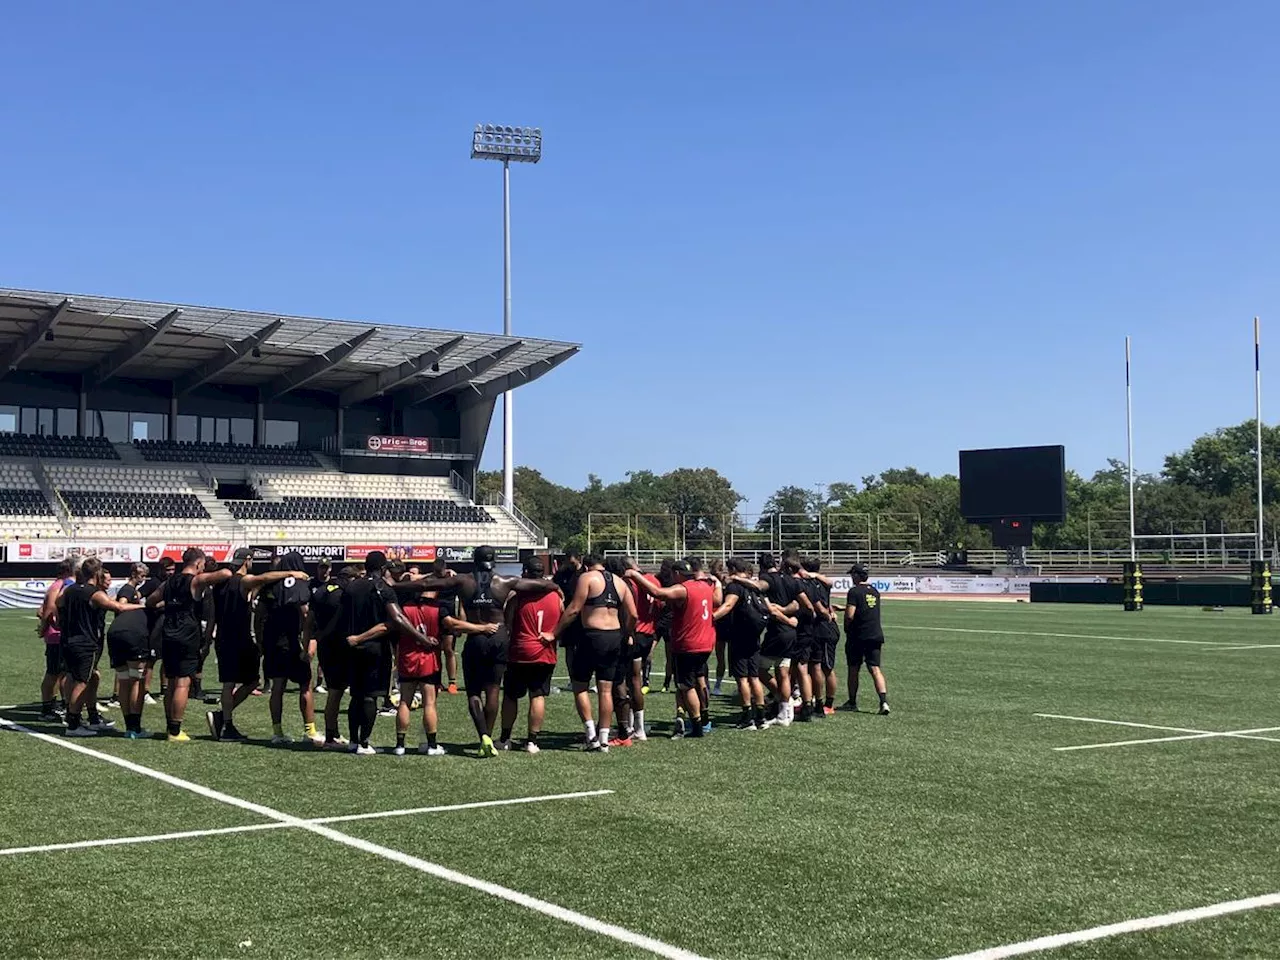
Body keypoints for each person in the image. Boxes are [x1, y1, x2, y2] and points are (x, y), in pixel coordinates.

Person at [402, 546, 560, 757]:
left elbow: (426, 583)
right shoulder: (504, 581)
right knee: (493, 690)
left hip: (475, 638)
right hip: (499, 637)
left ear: (474, 561)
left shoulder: (463, 581)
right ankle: (490, 737)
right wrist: (555, 586)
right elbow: (539, 584)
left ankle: (484, 735)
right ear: (493, 561)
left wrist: (395, 586)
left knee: (474, 693)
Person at [206, 549, 308, 743]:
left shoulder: (220, 586)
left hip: (223, 638)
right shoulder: (243, 581)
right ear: (247, 560)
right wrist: (291, 573)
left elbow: (212, 614)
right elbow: (264, 577)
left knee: (247, 681)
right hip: (239, 637)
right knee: (238, 683)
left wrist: (207, 638)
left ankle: (224, 717)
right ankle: (226, 724)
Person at [338, 551, 423, 754]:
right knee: (370, 697)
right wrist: (421, 638)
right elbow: (396, 619)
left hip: (351, 647)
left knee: (356, 696)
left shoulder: (351, 586)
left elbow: (341, 617)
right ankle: (365, 743)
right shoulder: (383, 588)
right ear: (383, 568)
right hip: (375, 648)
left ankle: (352, 740)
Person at [552, 554, 637, 752]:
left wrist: (554, 633)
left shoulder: (587, 578)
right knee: (606, 690)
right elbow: (633, 614)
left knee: (580, 686)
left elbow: (574, 608)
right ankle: (604, 740)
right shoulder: (619, 582)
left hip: (592, 636)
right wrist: (627, 632)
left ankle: (591, 735)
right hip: (614, 636)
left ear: (588, 565)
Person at [626, 559, 718, 739]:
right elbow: (717, 599)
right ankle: (700, 719)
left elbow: (657, 592)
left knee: (686, 686)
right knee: (699, 680)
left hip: (688, 645)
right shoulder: (705, 587)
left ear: (677, 574)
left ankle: (697, 726)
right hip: (705, 643)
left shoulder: (684, 589)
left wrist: (635, 575)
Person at [395, 593, 494, 756]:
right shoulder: (437, 608)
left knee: (404, 702)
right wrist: (482, 628)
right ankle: (432, 745)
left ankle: (400, 745)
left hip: (408, 659)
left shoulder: (404, 608)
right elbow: (453, 625)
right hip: (428, 660)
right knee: (429, 703)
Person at [147, 548, 230, 743]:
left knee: (171, 682)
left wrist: (168, 604)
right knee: (183, 682)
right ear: (199, 563)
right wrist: (205, 575)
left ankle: (170, 725)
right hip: (187, 635)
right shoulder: (195, 580)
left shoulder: (169, 582)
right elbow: (226, 573)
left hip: (168, 633)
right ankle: (175, 730)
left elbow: (151, 601)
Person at [59, 557, 143, 736]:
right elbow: (118, 607)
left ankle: (91, 717)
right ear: (97, 573)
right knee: (82, 682)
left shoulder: (69, 590)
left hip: (69, 641)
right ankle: (73, 724)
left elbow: (58, 605)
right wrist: (141, 607)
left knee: (86, 678)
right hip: (85, 643)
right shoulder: (93, 593)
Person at [498, 557, 563, 753]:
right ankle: (532, 741)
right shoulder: (556, 596)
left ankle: (505, 738)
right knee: (538, 695)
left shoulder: (517, 597)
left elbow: (507, 624)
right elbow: (563, 617)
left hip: (520, 651)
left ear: (525, 572)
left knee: (510, 696)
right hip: (545, 651)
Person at [257, 551, 321, 745]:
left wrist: (261, 642)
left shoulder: (270, 584)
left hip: (272, 641)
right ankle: (310, 731)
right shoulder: (301, 583)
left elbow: (259, 616)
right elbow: (305, 614)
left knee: (278, 687)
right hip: (292, 641)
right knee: (305, 685)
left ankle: (277, 732)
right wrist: (308, 643)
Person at [713, 558, 769, 730]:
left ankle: (747, 717)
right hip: (754, 636)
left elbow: (729, 605)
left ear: (732, 569)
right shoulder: (754, 585)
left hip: (739, 635)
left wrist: (711, 617)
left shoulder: (735, 586)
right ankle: (760, 717)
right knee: (754, 677)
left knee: (742, 678)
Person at [308, 565, 354, 748]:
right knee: (336, 693)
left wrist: (309, 641)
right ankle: (330, 736)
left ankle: (333, 732)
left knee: (335, 690)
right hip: (339, 646)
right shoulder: (343, 595)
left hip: (324, 645)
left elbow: (309, 620)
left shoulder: (320, 591)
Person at [107, 562, 154, 738]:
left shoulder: (132, 590)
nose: (143, 579)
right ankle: (135, 727)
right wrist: (143, 607)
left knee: (125, 680)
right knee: (136, 680)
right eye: (142, 575)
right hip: (132, 634)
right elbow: (121, 605)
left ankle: (129, 727)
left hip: (115, 633)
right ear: (135, 574)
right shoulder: (127, 589)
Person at [619, 556, 659, 741]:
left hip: (635, 634)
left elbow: (629, 611)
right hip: (648, 634)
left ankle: (631, 727)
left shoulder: (629, 583)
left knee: (628, 681)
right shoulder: (652, 579)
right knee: (636, 680)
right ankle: (639, 727)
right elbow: (662, 604)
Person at [843, 564, 890, 715]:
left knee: (853, 669)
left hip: (858, 635)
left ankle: (852, 702)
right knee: (875, 669)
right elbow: (865, 608)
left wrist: (846, 626)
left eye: (852, 574)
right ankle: (883, 702)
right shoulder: (875, 592)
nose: (851, 577)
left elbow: (851, 614)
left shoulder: (854, 591)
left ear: (857, 575)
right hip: (875, 634)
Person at [36, 559, 76, 722]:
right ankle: (47, 709)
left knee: (63, 673)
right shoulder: (58, 586)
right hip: (56, 635)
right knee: (53, 673)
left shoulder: (58, 585)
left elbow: (41, 610)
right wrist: (44, 627)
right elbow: (49, 610)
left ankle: (62, 705)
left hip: (60, 635)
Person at [800, 559, 841, 716]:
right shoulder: (819, 582)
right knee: (815, 666)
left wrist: (826, 613)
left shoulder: (815, 583)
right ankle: (816, 701)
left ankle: (827, 704)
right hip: (819, 628)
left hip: (824, 629)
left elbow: (821, 602)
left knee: (825, 667)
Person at [707, 558, 729, 695]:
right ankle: (716, 685)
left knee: (720, 655)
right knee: (720, 655)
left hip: (720, 620)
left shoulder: (724, 582)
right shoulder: (712, 582)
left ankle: (716, 686)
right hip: (720, 621)